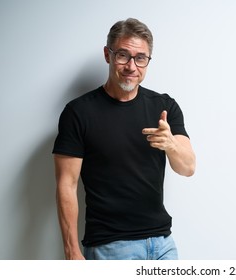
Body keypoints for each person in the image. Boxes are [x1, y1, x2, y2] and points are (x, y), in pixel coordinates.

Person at [53, 18, 196, 260]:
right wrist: (71, 251)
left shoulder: (164, 107)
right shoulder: (79, 112)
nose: (132, 66)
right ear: (107, 55)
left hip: (162, 243)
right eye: (123, 55)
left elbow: (188, 168)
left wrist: (170, 143)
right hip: (111, 246)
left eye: (141, 58)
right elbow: (66, 185)